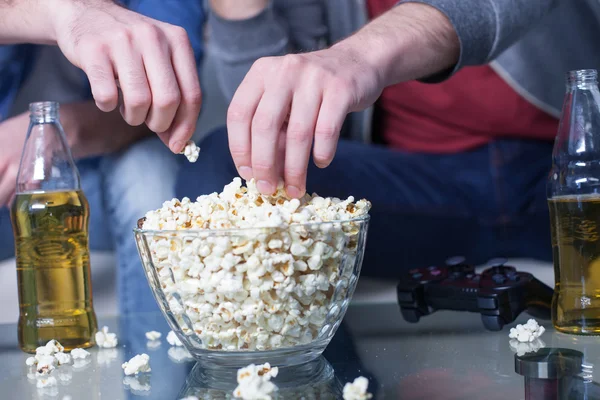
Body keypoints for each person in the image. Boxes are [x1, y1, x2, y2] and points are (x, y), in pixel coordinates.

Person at [178, 0, 600, 275]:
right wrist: (242, 10)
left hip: (569, 167)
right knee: (229, 167)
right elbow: (278, 124)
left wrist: (357, 56)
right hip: (413, 186)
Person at [0, 0, 205, 313]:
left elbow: (161, 110)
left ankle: (156, 353)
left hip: (95, 185)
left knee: (148, 171)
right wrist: (60, 14)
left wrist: (55, 130)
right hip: (8, 197)